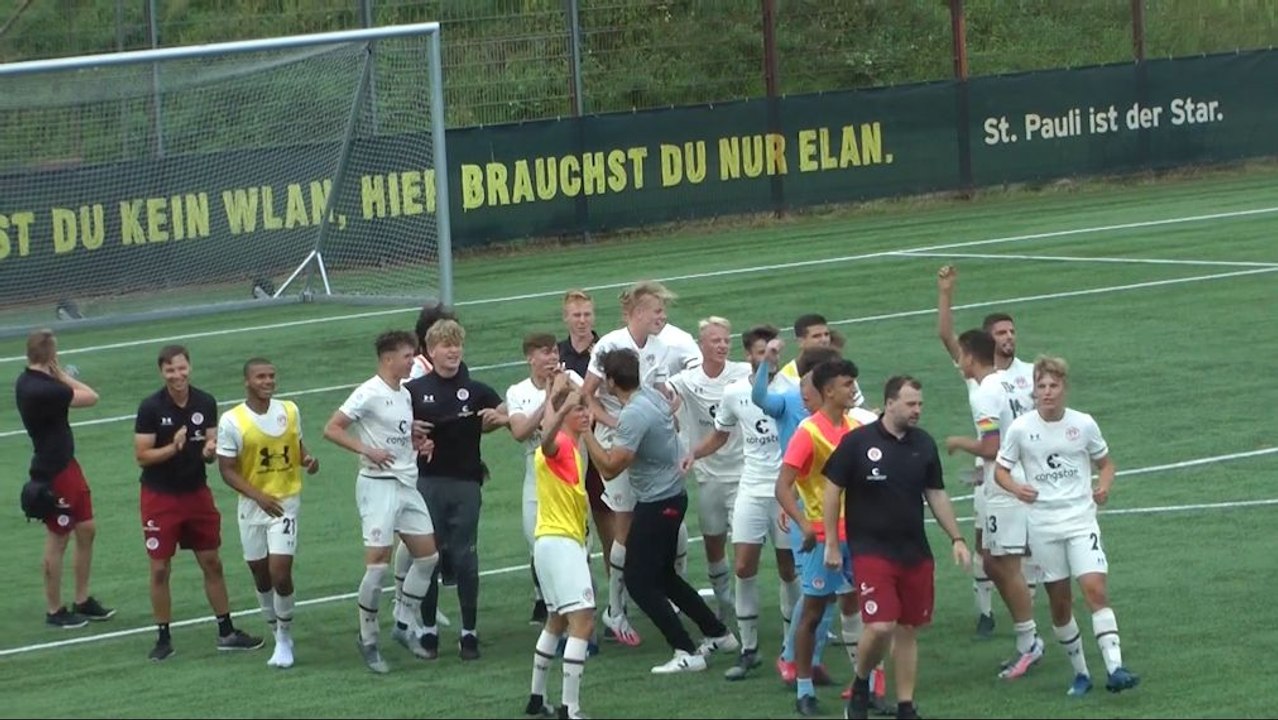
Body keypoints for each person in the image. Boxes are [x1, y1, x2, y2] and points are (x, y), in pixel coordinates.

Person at [821, 375, 971, 720]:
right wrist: (832, 541)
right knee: (881, 625)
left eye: (919, 403)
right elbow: (832, 489)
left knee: (906, 628)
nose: (917, 410)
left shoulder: (923, 444)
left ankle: (906, 706)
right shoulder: (858, 442)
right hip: (871, 550)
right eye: (910, 404)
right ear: (890, 404)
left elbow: (935, 493)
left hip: (914, 552)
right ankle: (861, 684)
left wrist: (957, 538)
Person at [581, 348, 738, 674]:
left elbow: (610, 468)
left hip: (658, 504)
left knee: (639, 581)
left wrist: (586, 433)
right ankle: (718, 633)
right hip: (669, 498)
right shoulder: (651, 398)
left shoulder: (634, 415)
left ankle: (685, 649)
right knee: (664, 575)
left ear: (610, 381)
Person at [994, 356, 1140, 697]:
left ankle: (1115, 668)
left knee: (1095, 590)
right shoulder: (1020, 429)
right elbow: (1001, 470)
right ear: (1034, 390)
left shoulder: (1083, 424)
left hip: (1080, 520)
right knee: (1060, 604)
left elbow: (1106, 464)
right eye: (1041, 386)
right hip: (1043, 526)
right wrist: (1017, 487)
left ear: (1064, 388)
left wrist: (1103, 486)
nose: (1046, 392)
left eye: (1053, 386)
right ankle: (1081, 673)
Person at [134, 344, 261, 661]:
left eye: (181, 368)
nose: (177, 375)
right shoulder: (150, 407)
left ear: (189, 367)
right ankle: (163, 637)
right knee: (160, 568)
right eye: (170, 370)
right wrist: (172, 449)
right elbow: (142, 456)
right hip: (160, 496)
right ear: (162, 372)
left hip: (196, 494)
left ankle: (226, 631)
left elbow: (210, 444)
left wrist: (208, 451)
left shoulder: (205, 401)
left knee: (212, 562)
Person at [323, 330, 441, 673]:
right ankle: (368, 638)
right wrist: (367, 450)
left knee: (428, 557)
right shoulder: (368, 392)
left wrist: (415, 440)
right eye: (407, 356)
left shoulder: (403, 393)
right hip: (378, 486)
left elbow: (394, 432)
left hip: (407, 483)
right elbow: (332, 428)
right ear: (388, 358)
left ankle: (402, 623)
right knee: (377, 565)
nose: (413, 361)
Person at [686, 324, 799, 680]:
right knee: (744, 566)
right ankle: (749, 650)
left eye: (774, 353)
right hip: (751, 487)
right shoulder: (735, 392)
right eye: (762, 353)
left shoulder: (792, 391)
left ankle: (790, 647)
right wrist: (693, 454)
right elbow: (721, 434)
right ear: (748, 355)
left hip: (785, 491)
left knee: (787, 568)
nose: (770, 358)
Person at [936, 264, 1038, 637]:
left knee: (1012, 552)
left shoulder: (1026, 374)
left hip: (1014, 471)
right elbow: (946, 335)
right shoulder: (979, 376)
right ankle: (990, 613)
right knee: (988, 544)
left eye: (1012, 331)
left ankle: (1027, 626)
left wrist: (959, 443)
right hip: (993, 473)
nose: (1008, 337)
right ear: (988, 340)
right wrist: (946, 291)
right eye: (1001, 332)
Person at [404, 319, 506, 661]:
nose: (452, 351)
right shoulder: (415, 391)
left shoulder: (476, 389)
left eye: (456, 344)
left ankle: (469, 631)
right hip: (428, 484)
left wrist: (497, 418)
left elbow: (504, 411)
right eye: (445, 345)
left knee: (465, 557)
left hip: (466, 484)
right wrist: (410, 432)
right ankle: (430, 629)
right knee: (429, 557)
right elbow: (395, 427)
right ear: (430, 352)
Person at [943, 330, 1043, 679]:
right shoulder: (1008, 383)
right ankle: (1027, 639)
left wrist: (958, 442)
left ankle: (1029, 643)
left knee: (1005, 565)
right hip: (1009, 479)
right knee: (989, 557)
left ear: (970, 357)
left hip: (1005, 484)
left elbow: (990, 447)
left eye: (961, 357)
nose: (958, 363)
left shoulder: (984, 393)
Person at [579, 281, 674, 646]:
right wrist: (612, 422)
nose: (662, 317)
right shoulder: (609, 345)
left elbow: (658, 390)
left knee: (664, 515)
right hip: (615, 437)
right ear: (636, 313)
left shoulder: (661, 347)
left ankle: (658, 592)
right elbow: (587, 396)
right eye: (656, 311)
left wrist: (667, 409)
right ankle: (615, 610)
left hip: (645, 433)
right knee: (624, 524)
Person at [775, 359, 867, 716]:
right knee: (813, 612)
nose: (853, 389)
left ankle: (866, 685)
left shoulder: (856, 428)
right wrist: (803, 523)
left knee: (863, 609)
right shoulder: (808, 432)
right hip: (823, 536)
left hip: (858, 533)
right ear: (829, 390)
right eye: (847, 384)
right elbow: (782, 485)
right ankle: (804, 689)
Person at [216, 357, 320, 669]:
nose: (268, 381)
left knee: (280, 572)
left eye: (272, 376)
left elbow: (297, 446)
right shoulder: (232, 421)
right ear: (247, 381)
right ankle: (274, 629)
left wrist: (308, 460)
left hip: (285, 502)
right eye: (261, 376)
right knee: (260, 573)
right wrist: (257, 496)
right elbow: (227, 470)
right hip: (252, 506)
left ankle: (284, 639)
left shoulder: (289, 410)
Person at [15, 329, 113, 628]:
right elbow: (91, 397)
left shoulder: (26, 381)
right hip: (54, 471)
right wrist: (62, 375)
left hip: (67, 465)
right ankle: (54, 610)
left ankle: (82, 600)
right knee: (58, 539)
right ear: (52, 356)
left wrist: (54, 373)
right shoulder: (47, 389)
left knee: (86, 529)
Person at [668, 316, 752, 620]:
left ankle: (745, 610)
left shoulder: (743, 374)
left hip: (744, 474)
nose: (722, 345)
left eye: (726, 340)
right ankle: (725, 605)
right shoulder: (688, 380)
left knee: (744, 549)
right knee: (713, 544)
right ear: (701, 344)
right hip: (709, 477)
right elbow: (667, 396)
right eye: (715, 340)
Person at [524, 386, 594, 720]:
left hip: (549, 543)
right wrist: (561, 405)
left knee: (556, 619)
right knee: (582, 620)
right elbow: (546, 442)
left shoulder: (574, 448)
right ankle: (571, 708)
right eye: (577, 409)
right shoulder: (561, 445)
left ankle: (537, 699)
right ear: (562, 413)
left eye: (585, 408)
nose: (585, 414)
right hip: (562, 544)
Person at [506, 333, 564, 624]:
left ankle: (567, 600)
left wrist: (562, 389)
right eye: (545, 353)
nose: (552, 358)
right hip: (536, 468)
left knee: (575, 539)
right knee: (536, 540)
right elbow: (520, 432)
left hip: (567, 468)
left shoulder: (571, 380)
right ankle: (543, 596)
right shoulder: (517, 391)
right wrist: (550, 399)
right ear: (530, 358)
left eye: (554, 352)